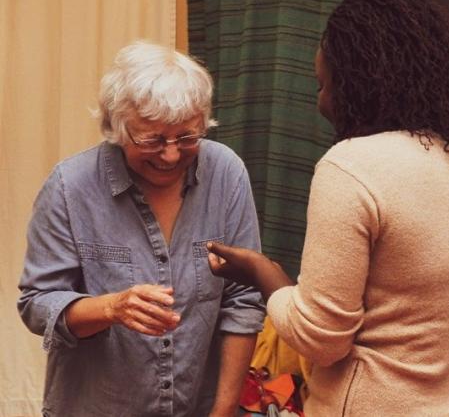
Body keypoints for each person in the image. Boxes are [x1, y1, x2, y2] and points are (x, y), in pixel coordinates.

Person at [205, 0, 449, 416]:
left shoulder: (351, 167)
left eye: (323, 86)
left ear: (356, 86)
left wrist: (265, 275)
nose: (319, 102)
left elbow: (323, 339)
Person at [17, 41, 266, 416]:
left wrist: (224, 409)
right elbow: (37, 305)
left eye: (188, 137)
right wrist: (111, 308)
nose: (170, 155)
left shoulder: (226, 173)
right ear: (116, 129)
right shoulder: (70, 186)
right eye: (151, 140)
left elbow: (243, 301)